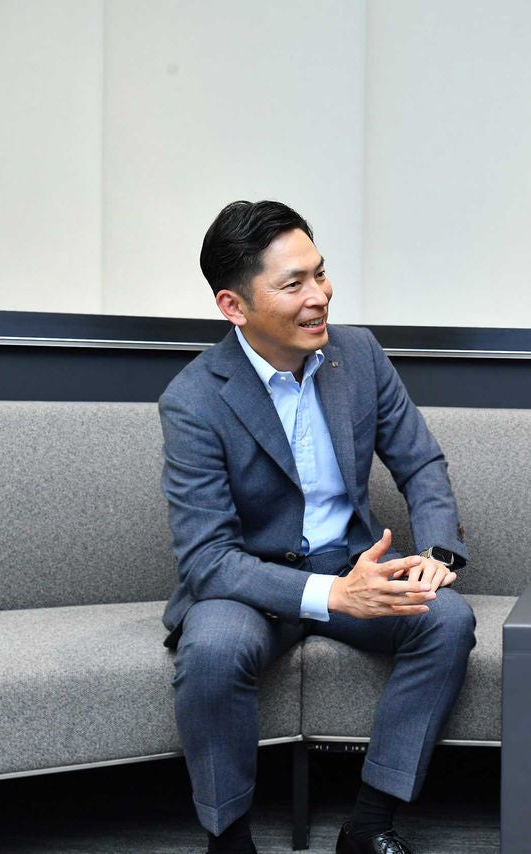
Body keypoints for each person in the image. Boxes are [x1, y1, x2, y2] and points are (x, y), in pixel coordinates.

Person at [160, 200, 475, 854]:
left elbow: (420, 462)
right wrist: (333, 595)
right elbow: (208, 561)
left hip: (348, 559)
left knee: (446, 620)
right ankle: (228, 840)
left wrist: (438, 552)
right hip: (250, 584)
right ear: (234, 306)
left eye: (321, 273)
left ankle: (370, 825)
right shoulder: (193, 401)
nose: (319, 296)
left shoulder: (358, 355)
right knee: (212, 650)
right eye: (293, 284)